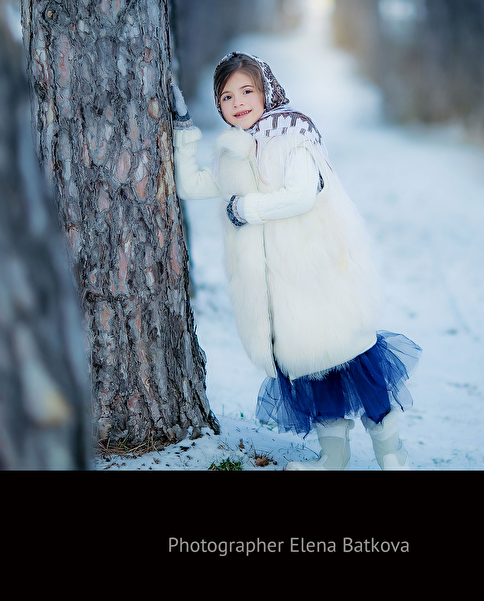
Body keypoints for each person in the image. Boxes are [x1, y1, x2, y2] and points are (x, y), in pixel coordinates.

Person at [170, 51, 421, 470]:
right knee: (312, 366)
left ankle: (392, 452)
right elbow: (192, 186)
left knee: (353, 357)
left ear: (266, 91)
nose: (238, 103)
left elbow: (301, 195)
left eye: (247, 91)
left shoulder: (292, 132)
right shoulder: (232, 153)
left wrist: (246, 208)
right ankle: (333, 456)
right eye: (227, 97)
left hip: (320, 274)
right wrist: (182, 131)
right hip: (280, 292)